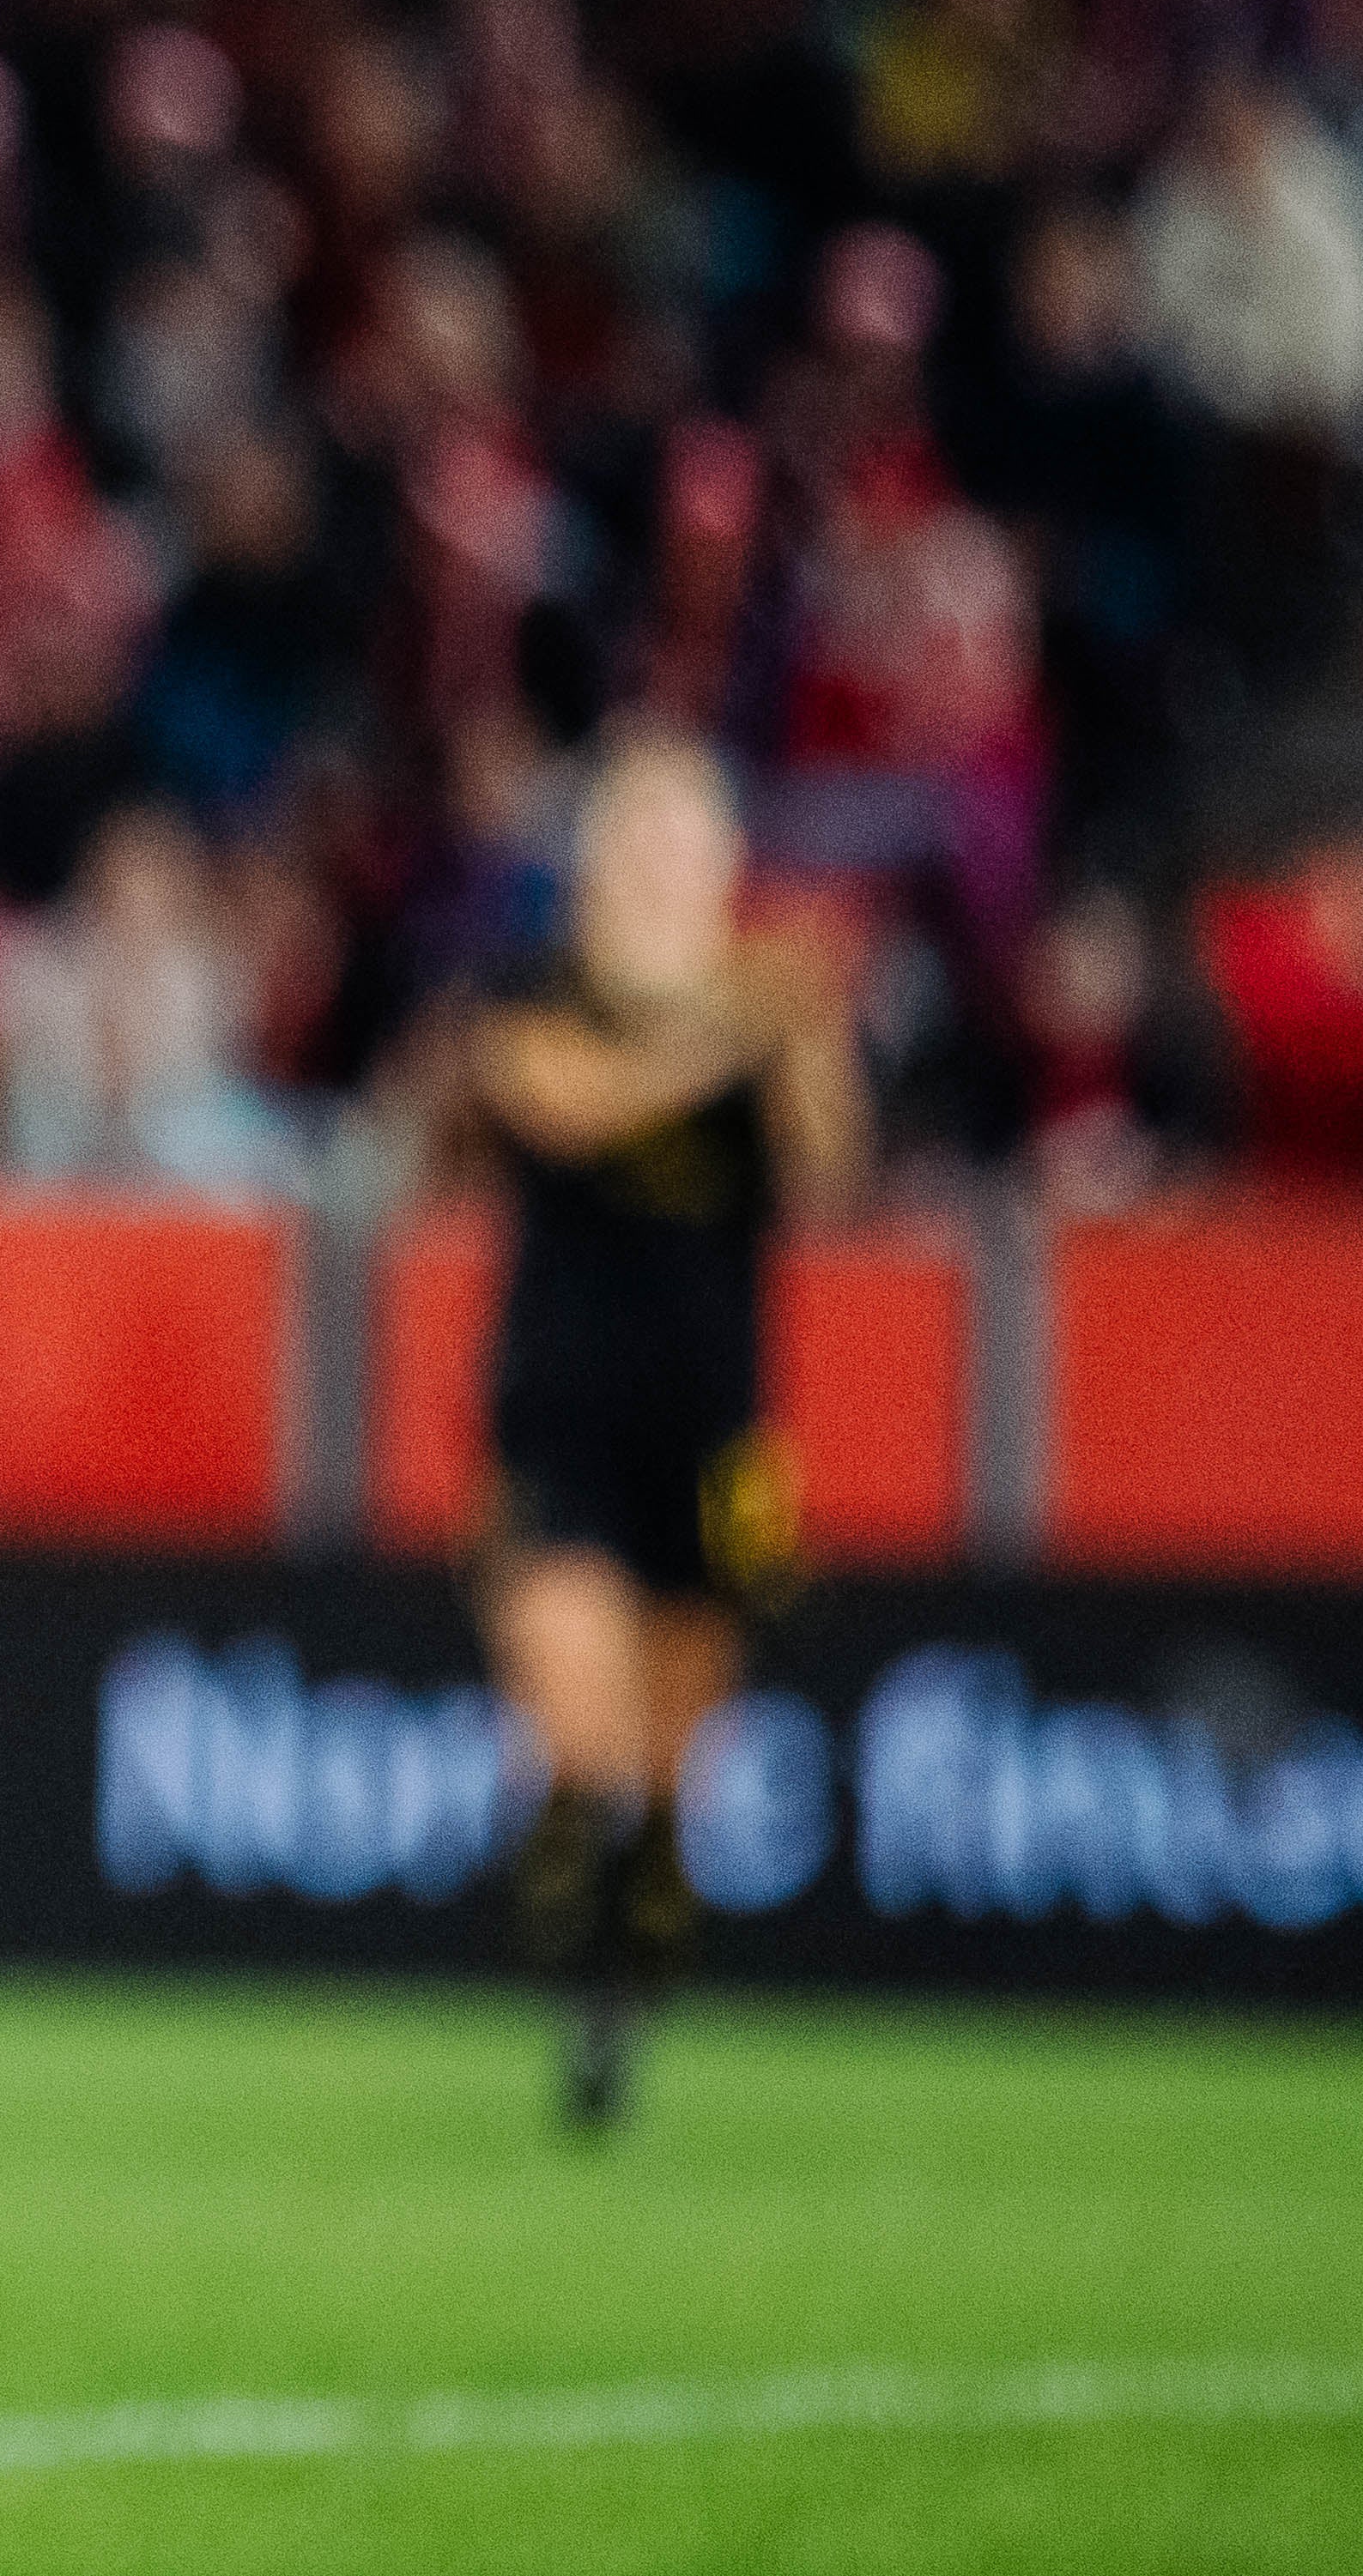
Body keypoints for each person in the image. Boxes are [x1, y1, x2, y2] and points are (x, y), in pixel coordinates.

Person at [463, 730, 868, 2136]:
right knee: (581, 1728)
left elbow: (826, 1173)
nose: (656, 859)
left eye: (683, 833)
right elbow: (561, 1103)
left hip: (716, 1436)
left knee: (671, 1780)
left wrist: (807, 1030)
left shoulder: (766, 1014)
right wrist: (731, 1032)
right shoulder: (536, 986)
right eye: (635, 829)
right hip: (556, 1414)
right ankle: (571, 1937)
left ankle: (615, 2004)